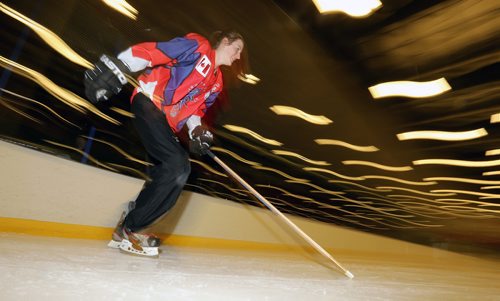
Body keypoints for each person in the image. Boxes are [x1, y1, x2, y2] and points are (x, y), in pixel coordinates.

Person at [83, 30, 246, 256]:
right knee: (176, 165)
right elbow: (157, 51)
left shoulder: (216, 83)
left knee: (177, 171)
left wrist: (197, 131)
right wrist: (121, 63)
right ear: (224, 42)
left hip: (164, 122)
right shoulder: (199, 47)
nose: (238, 56)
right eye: (237, 49)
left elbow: (194, 111)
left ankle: (128, 224)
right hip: (149, 102)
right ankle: (132, 227)